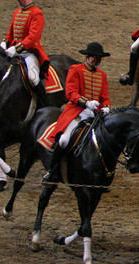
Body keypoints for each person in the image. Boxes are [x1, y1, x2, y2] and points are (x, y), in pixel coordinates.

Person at [43, 41, 111, 185]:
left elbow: (104, 97)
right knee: (63, 140)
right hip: (77, 111)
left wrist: (106, 107)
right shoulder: (76, 69)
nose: (97, 60)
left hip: (96, 114)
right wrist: (86, 102)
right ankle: (52, 171)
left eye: (99, 58)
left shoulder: (102, 75)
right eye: (94, 57)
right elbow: (71, 93)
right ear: (87, 56)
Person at [1, 0, 50, 104]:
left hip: (28, 52)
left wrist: (16, 49)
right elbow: (10, 33)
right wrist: (5, 42)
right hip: (13, 51)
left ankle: (45, 104)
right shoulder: (17, 12)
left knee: (33, 78)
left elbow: (33, 37)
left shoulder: (36, 13)